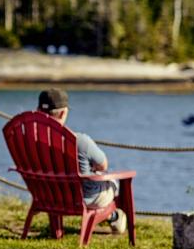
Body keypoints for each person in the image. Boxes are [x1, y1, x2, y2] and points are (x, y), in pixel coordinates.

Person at [34, 87, 126, 235]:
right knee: (113, 181)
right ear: (63, 113)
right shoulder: (80, 141)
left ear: (38, 111)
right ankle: (114, 216)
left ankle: (112, 216)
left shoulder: (29, 140)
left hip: (48, 195)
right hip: (84, 199)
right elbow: (103, 165)